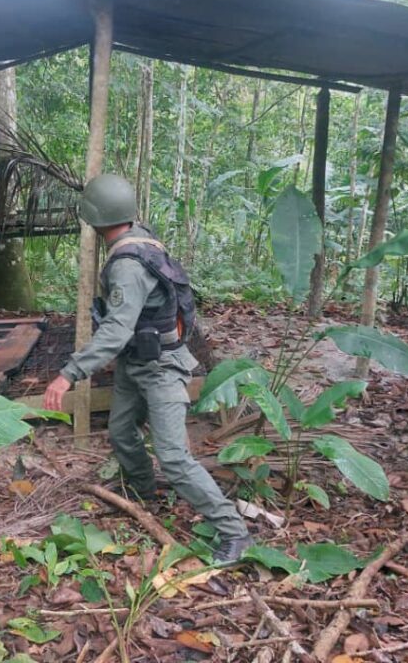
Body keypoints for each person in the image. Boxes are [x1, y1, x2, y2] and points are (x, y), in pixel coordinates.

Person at [44, 174, 253, 563]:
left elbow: (115, 331)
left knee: (173, 457)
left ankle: (234, 532)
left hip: (161, 368)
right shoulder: (142, 239)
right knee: (122, 431)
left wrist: (68, 374)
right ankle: (142, 492)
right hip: (135, 362)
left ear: (95, 218)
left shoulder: (127, 264)